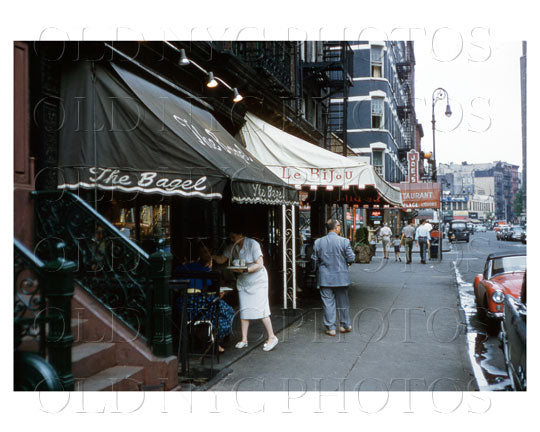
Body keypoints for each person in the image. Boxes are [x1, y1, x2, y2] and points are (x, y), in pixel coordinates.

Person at [212, 230, 278, 352]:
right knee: (244, 308)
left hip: (257, 280)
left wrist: (245, 270)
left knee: (261, 308)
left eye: (234, 236)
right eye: (230, 237)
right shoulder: (232, 246)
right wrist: (210, 256)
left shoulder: (253, 244)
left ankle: (272, 337)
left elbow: (260, 263)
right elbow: (221, 259)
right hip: (244, 281)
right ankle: (244, 339)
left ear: (241, 234)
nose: (232, 239)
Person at [174, 245, 235, 353]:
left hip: (183, 304)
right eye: (206, 253)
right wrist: (209, 269)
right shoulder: (203, 269)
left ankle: (209, 338)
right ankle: (214, 340)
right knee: (227, 310)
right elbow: (209, 285)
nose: (208, 255)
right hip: (196, 302)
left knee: (215, 312)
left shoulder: (181, 268)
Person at [312, 219, 356, 336]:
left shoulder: (318, 242)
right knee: (343, 303)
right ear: (336, 227)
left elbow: (314, 260)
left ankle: (331, 328)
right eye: (339, 226)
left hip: (325, 278)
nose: (340, 228)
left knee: (328, 303)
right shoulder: (344, 241)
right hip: (341, 277)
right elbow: (351, 258)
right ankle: (344, 325)